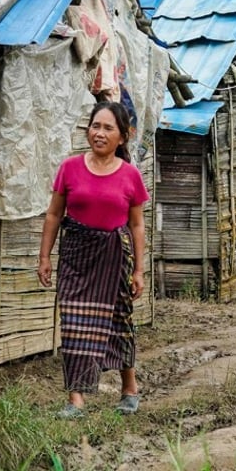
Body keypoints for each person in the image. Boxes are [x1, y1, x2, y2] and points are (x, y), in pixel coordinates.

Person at [37, 101, 149, 419]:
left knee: (119, 323)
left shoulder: (130, 176)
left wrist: (139, 269)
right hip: (75, 257)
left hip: (115, 259)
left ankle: (129, 389)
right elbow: (54, 214)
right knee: (74, 324)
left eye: (107, 128)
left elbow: (137, 224)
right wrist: (44, 256)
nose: (99, 133)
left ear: (123, 137)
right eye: (95, 126)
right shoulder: (69, 168)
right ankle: (76, 400)